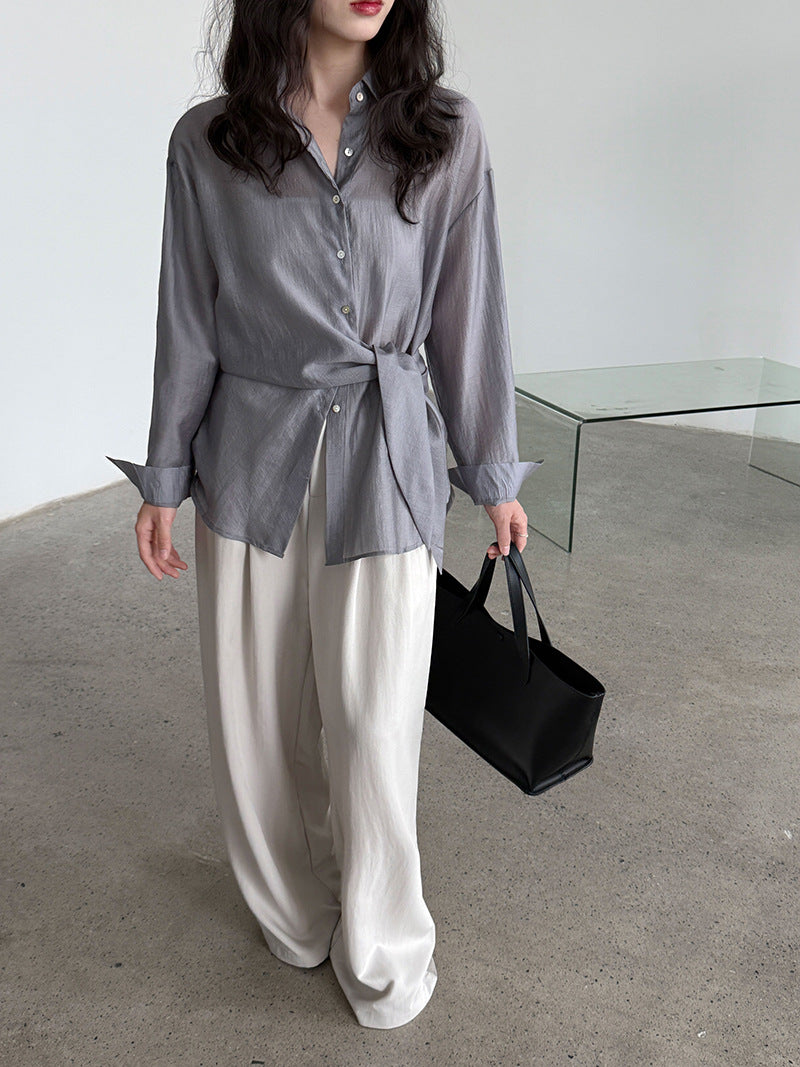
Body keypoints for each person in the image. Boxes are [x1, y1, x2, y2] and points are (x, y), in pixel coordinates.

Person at [106, 0, 542, 1031]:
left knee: (373, 719)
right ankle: (292, 912)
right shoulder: (211, 142)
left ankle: (384, 947)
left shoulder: (444, 131)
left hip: (385, 453)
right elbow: (188, 315)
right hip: (251, 453)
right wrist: (164, 474)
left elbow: (467, 308)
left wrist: (490, 469)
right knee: (256, 716)